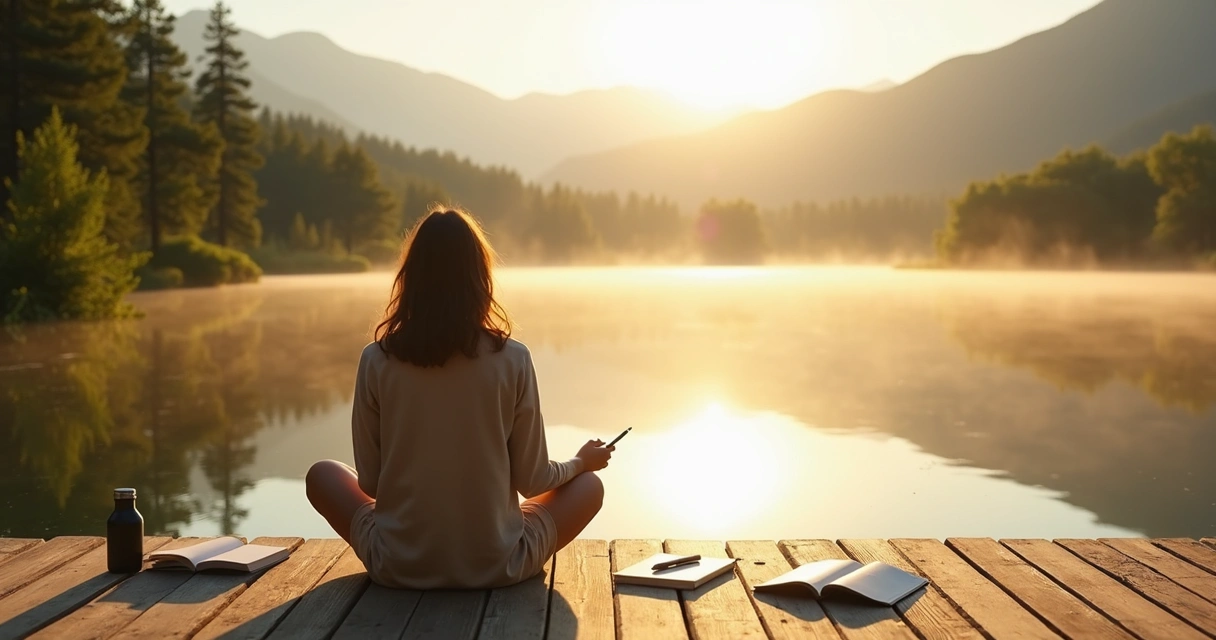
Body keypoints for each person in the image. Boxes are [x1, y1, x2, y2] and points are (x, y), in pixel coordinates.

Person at [305, 207, 613, 589]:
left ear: (412, 277)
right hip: (499, 566)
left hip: (399, 565)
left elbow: (370, 484)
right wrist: (580, 463)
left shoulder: (377, 359)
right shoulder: (513, 358)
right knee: (589, 488)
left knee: (323, 474)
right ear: (479, 277)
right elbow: (533, 481)